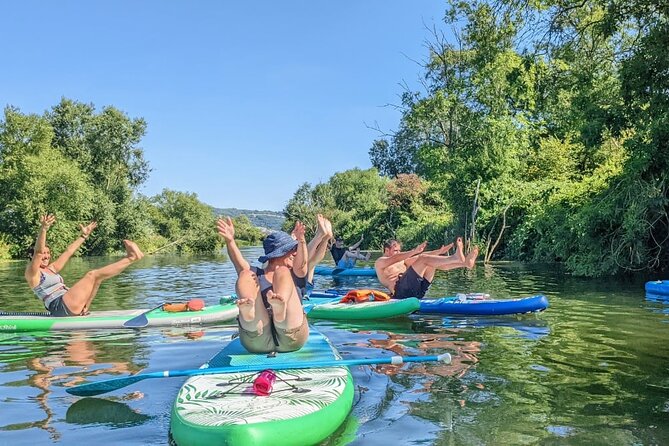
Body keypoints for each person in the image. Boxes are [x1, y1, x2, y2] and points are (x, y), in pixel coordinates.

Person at [217, 217, 312, 353]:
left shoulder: (295, 273)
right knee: (245, 274)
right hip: (257, 337)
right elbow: (239, 263)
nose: (296, 252)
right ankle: (250, 314)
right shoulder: (256, 274)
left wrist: (301, 240)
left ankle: (281, 308)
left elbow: (302, 265)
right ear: (280, 253)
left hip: (292, 333)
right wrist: (230, 241)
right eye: (292, 249)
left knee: (283, 271)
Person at [25, 214, 144, 317]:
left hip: (68, 302)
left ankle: (85, 307)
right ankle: (131, 258)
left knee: (97, 278)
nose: (46, 256)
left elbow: (69, 251)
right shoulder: (32, 273)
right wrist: (44, 229)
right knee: (92, 274)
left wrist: (84, 236)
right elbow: (38, 252)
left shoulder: (52, 268)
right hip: (59, 306)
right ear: (33, 257)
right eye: (43, 254)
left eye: (48, 253)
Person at [374, 237, 478, 299]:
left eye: (399, 250)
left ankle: (464, 264)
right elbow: (395, 258)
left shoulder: (403, 261)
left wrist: (438, 252)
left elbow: (419, 258)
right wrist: (414, 251)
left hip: (417, 291)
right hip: (401, 292)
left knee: (430, 262)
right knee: (423, 259)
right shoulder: (380, 262)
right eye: (395, 250)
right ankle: (455, 258)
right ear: (386, 250)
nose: (399, 253)